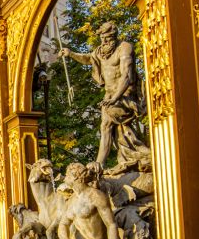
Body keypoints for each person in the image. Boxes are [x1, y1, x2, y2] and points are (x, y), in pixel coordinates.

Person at [60, 22, 150, 174]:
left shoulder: (124, 48)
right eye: (102, 38)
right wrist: (71, 54)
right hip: (110, 96)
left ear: (114, 36)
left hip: (126, 96)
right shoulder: (100, 51)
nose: (104, 41)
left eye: (107, 38)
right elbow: (88, 58)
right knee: (113, 128)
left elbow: (127, 76)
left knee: (106, 124)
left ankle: (99, 164)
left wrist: (115, 98)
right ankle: (130, 155)